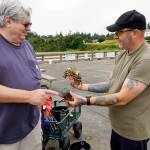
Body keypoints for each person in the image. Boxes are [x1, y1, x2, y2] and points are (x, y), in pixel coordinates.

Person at [65, 10, 150, 150]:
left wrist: (85, 100)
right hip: (117, 127)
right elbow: (112, 84)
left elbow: (122, 98)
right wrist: (83, 86)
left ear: (135, 32)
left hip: (132, 134)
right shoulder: (123, 54)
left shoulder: (146, 59)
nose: (115, 37)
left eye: (118, 33)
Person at [0, 0, 58, 150]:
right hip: (5, 134)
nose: (30, 29)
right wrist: (28, 96)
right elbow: (29, 93)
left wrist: (43, 94)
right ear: (8, 21)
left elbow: (33, 77)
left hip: (32, 124)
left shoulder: (27, 45)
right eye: (26, 24)